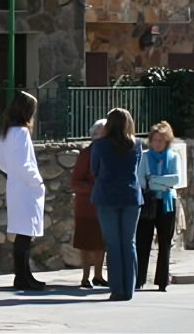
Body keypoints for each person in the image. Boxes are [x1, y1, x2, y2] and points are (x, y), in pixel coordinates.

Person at [0, 91, 47, 291]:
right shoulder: (22, 132)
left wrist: (14, 174)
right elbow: (26, 164)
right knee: (26, 234)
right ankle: (23, 277)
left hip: (14, 184)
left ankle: (23, 275)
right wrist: (37, 181)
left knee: (21, 233)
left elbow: (1, 161)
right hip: (26, 186)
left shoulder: (6, 131)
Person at [90, 108, 143, 301]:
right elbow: (136, 169)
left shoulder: (100, 145)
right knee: (129, 243)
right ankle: (129, 289)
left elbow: (94, 170)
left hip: (106, 197)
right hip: (131, 196)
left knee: (112, 244)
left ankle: (117, 289)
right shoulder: (137, 145)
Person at [136, 121, 185, 292]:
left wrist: (154, 180)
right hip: (149, 202)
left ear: (167, 141)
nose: (157, 143)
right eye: (155, 140)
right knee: (143, 242)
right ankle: (139, 278)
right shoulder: (144, 156)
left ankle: (162, 280)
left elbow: (175, 180)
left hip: (166, 203)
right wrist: (159, 182)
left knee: (165, 243)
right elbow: (141, 179)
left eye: (161, 140)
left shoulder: (173, 157)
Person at [71, 119, 108, 289]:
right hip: (87, 206)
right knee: (86, 244)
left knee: (102, 243)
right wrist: (95, 188)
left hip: (103, 205)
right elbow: (76, 182)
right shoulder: (86, 154)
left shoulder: (110, 152)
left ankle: (99, 275)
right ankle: (85, 277)